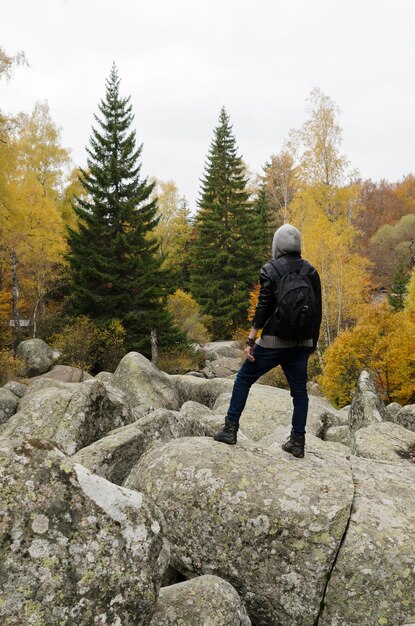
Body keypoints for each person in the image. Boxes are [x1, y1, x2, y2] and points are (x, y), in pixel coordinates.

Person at [213, 223, 322, 458]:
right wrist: (312, 343)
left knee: (243, 379)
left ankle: (230, 430)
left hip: (273, 341)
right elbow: (318, 310)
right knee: (300, 393)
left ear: (277, 245)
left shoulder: (270, 269)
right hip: (302, 342)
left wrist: (251, 340)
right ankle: (297, 442)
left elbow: (263, 307)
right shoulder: (311, 271)